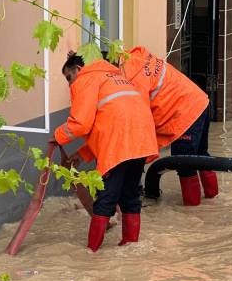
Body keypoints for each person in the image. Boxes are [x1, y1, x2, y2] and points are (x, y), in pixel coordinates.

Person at [54, 53, 158, 252]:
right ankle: (130, 245)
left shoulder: (85, 79)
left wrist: (56, 136)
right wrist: (82, 154)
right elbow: (107, 122)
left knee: (106, 198)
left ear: (78, 69)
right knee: (129, 195)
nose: (70, 84)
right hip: (141, 140)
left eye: (69, 78)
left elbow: (81, 125)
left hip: (122, 143)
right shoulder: (114, 76)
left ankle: (91, 253)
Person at [120, 46, 218, 206]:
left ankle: (192, 212)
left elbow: (140, 120)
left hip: (185, 113)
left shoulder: (132, 80)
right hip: (199, 101)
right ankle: (213, 201)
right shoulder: (137, 60)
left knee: (184, 162)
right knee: (201, 155)